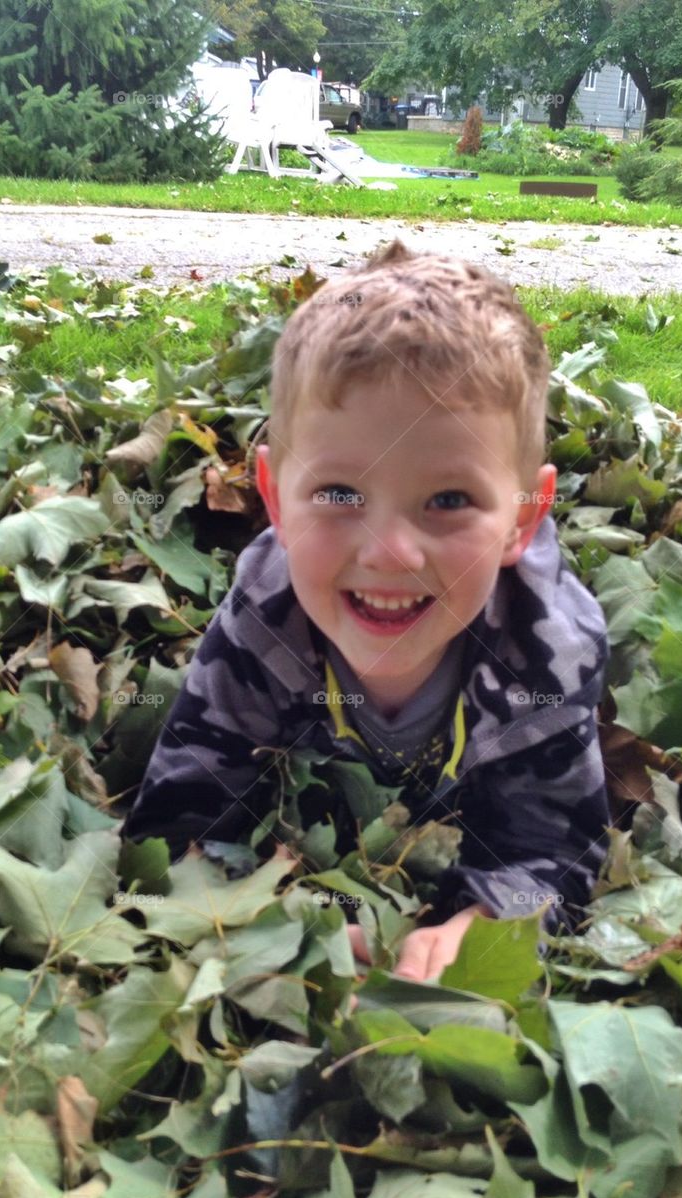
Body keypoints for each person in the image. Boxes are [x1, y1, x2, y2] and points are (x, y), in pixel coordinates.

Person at [122, 241, 610, 982]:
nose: (390, 552)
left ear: (522, 516)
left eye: (448, 500)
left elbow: (554, 849)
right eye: (341, 495)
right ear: (276, 498)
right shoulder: (262, 621)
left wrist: (482, 926)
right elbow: (177, 822)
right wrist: (264, 924)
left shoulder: (545, 655)